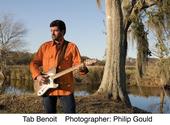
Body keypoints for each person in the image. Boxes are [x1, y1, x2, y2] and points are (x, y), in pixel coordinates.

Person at [30, 20, 88, 113]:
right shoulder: (45, 47)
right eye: (51, 30)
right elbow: (34, 63)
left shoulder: (72, 47)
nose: (52, 33)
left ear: (63, 31)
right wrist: (38, 76)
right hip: (47, 88)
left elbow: (79, 66)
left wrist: (83, 68)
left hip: (66, 88)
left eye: (55, 30)